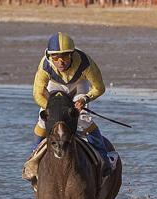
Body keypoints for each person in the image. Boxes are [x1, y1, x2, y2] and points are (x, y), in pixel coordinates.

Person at [32, 32, 111, 175]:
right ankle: (33, 158)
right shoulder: (44, 65)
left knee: (83, 118)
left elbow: (99, 88)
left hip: (78, 85)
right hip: (54, 86)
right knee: (43, 120)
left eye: (65, 57)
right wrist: (52, 109)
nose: (60, 62)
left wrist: (85, 99)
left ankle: (103, 157)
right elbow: (37, 94)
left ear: (72, 54)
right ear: (50, 56)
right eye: (55, 58)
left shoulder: (85, 63)